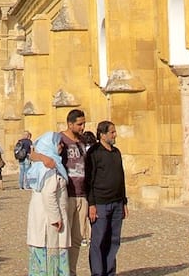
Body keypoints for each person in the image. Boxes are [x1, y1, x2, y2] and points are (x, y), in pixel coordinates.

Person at [85, 122, 127, 276]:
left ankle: (109, 272)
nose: (115, 135)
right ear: (102, 134)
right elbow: (89, 180)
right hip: (100, 204)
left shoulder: (116, 152)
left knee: (113, 240)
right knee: (98, 241)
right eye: (112, 132)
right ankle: (97, 273)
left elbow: (121, 177)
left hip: (116, 202)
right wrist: (92, 204)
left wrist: (124, 202)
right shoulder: (94, 153)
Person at [25, 131, 69, 276]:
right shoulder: (49, 168)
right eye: (58, 143)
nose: (62, 146)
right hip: (49, 222)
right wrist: (56, 218)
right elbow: (49, 194)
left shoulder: (42, 165)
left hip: (41, 218)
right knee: (51, 262)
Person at [58, 110, 89, 276]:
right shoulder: (59, 139)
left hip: (82, 195)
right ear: (70, 124)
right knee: (64, 239)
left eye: (84, 123)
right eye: (79, 124)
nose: (83, 127)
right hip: (67, 194)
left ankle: (71, 271)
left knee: (77, 238)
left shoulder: (83, 141)